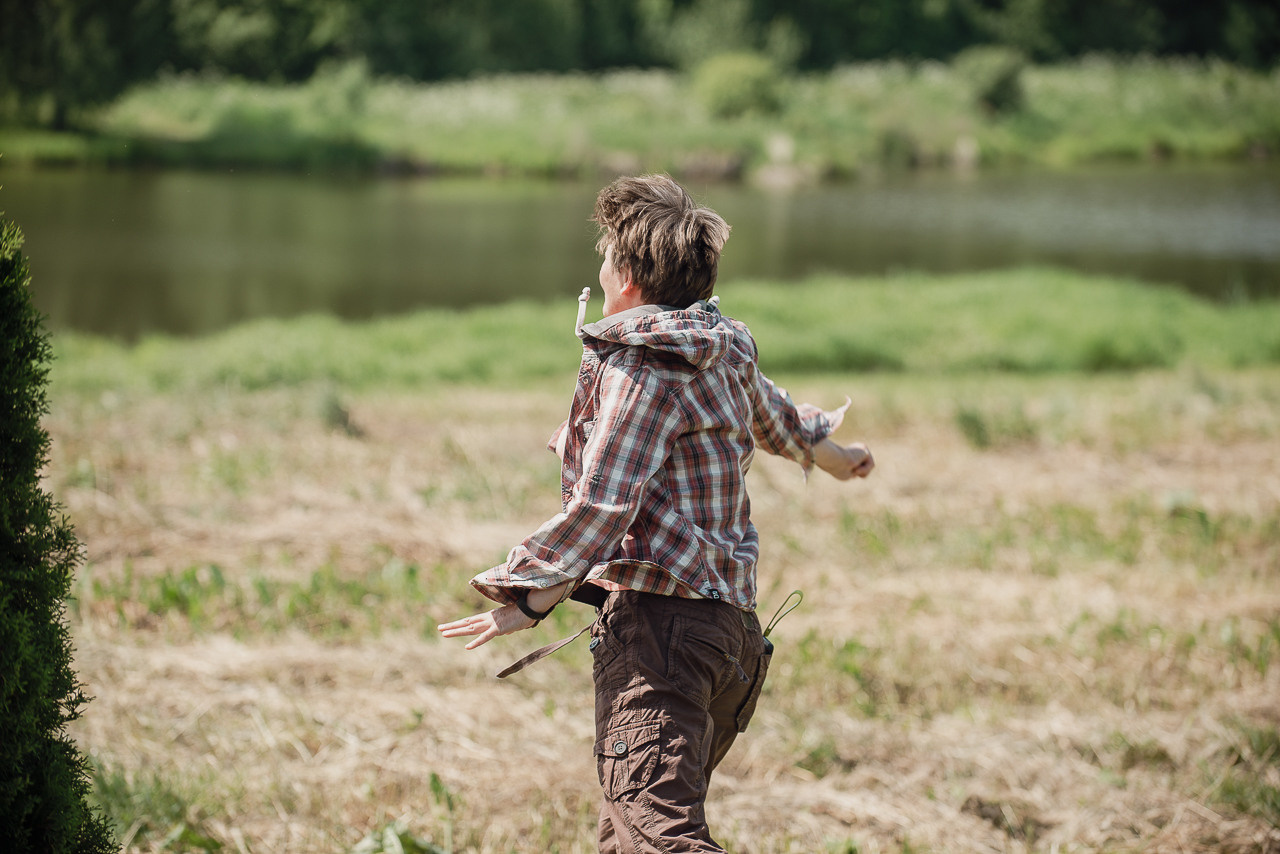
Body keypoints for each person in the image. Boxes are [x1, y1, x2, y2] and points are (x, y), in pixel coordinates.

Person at [438, 174, 874, 853]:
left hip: (662, 640)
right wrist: (841, 455)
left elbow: (608, 501)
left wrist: (527, 595)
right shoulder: (721, 348)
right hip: (729, 638)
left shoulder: (643, 369)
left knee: (660, 841)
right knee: (627, 835)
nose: (599, 268)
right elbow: (781, 422)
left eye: (606, 256)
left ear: (629, 279)